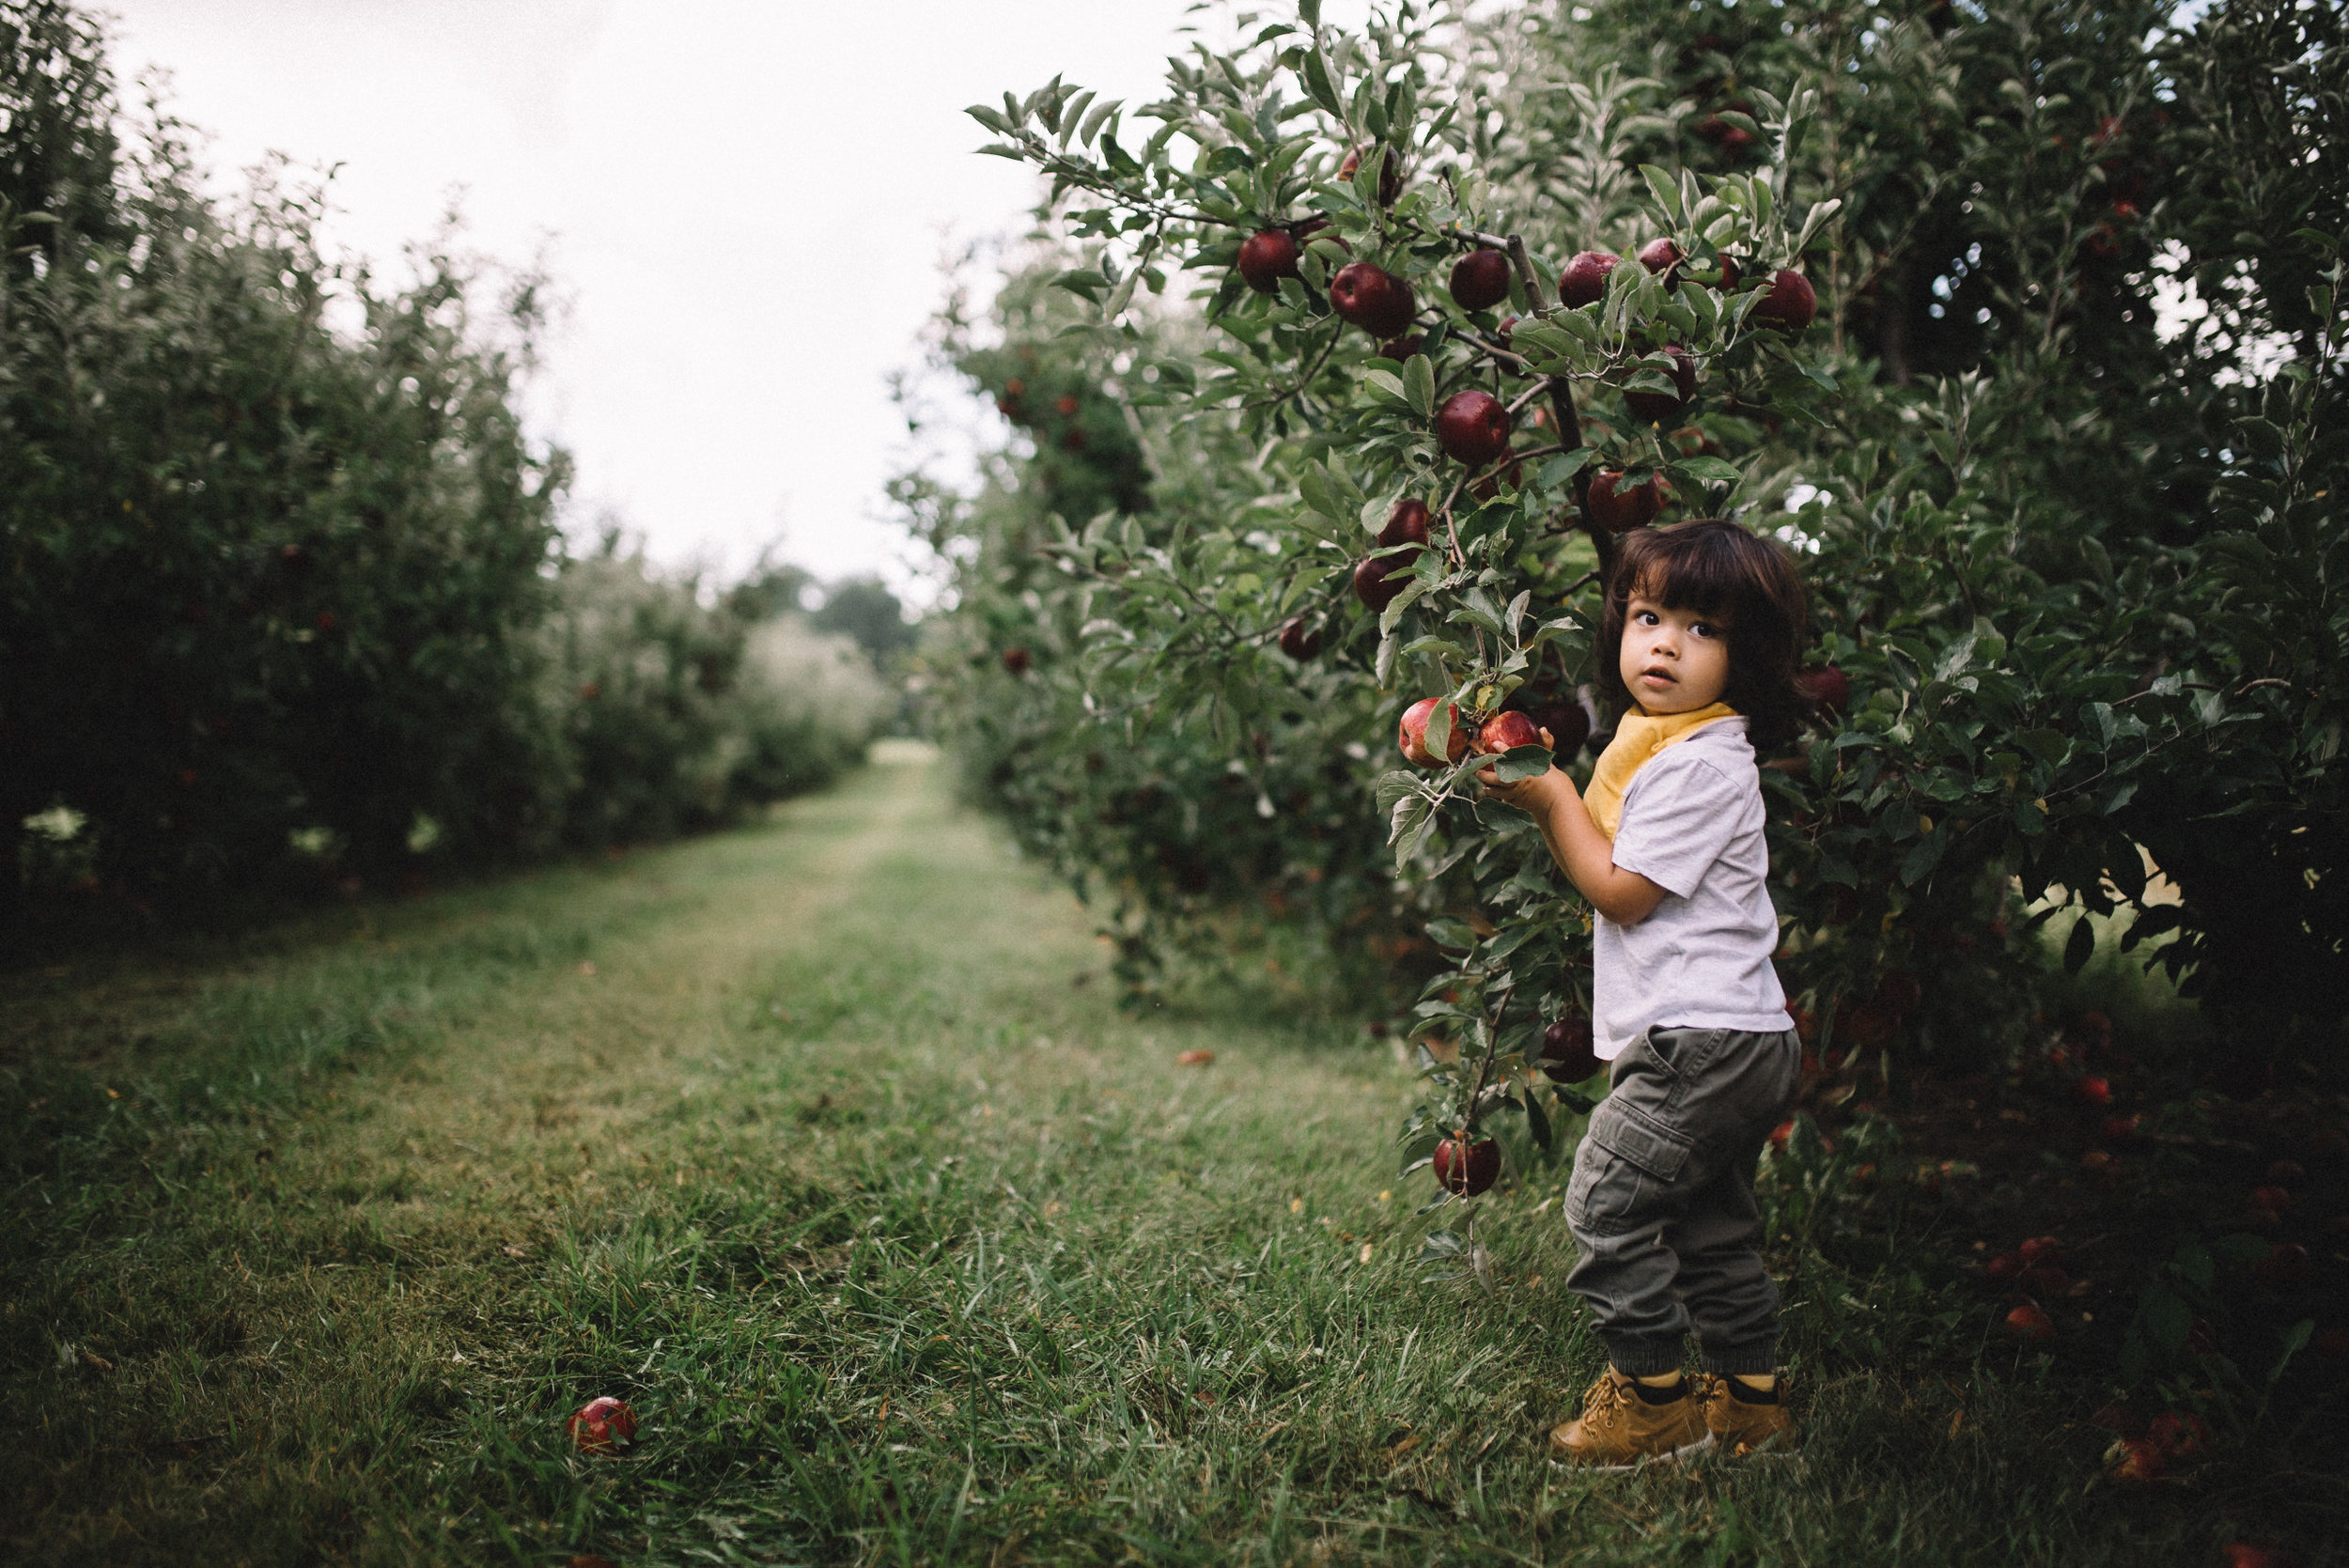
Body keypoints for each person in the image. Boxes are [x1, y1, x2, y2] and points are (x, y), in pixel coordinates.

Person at [1477, 517, 1810, 1467]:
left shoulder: (1701, 765)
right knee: (1710, 1226)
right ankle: (1750, 1403)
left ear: (1745, 658)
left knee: (1606, 1205)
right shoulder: (1664, 747)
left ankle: (1652, 1399)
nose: (1664, 641)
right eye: (1649, 614)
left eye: (1702, 628)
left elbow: (1621, 888)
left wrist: (1548, 799)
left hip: (1701, 1043)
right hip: (1733, 1035)